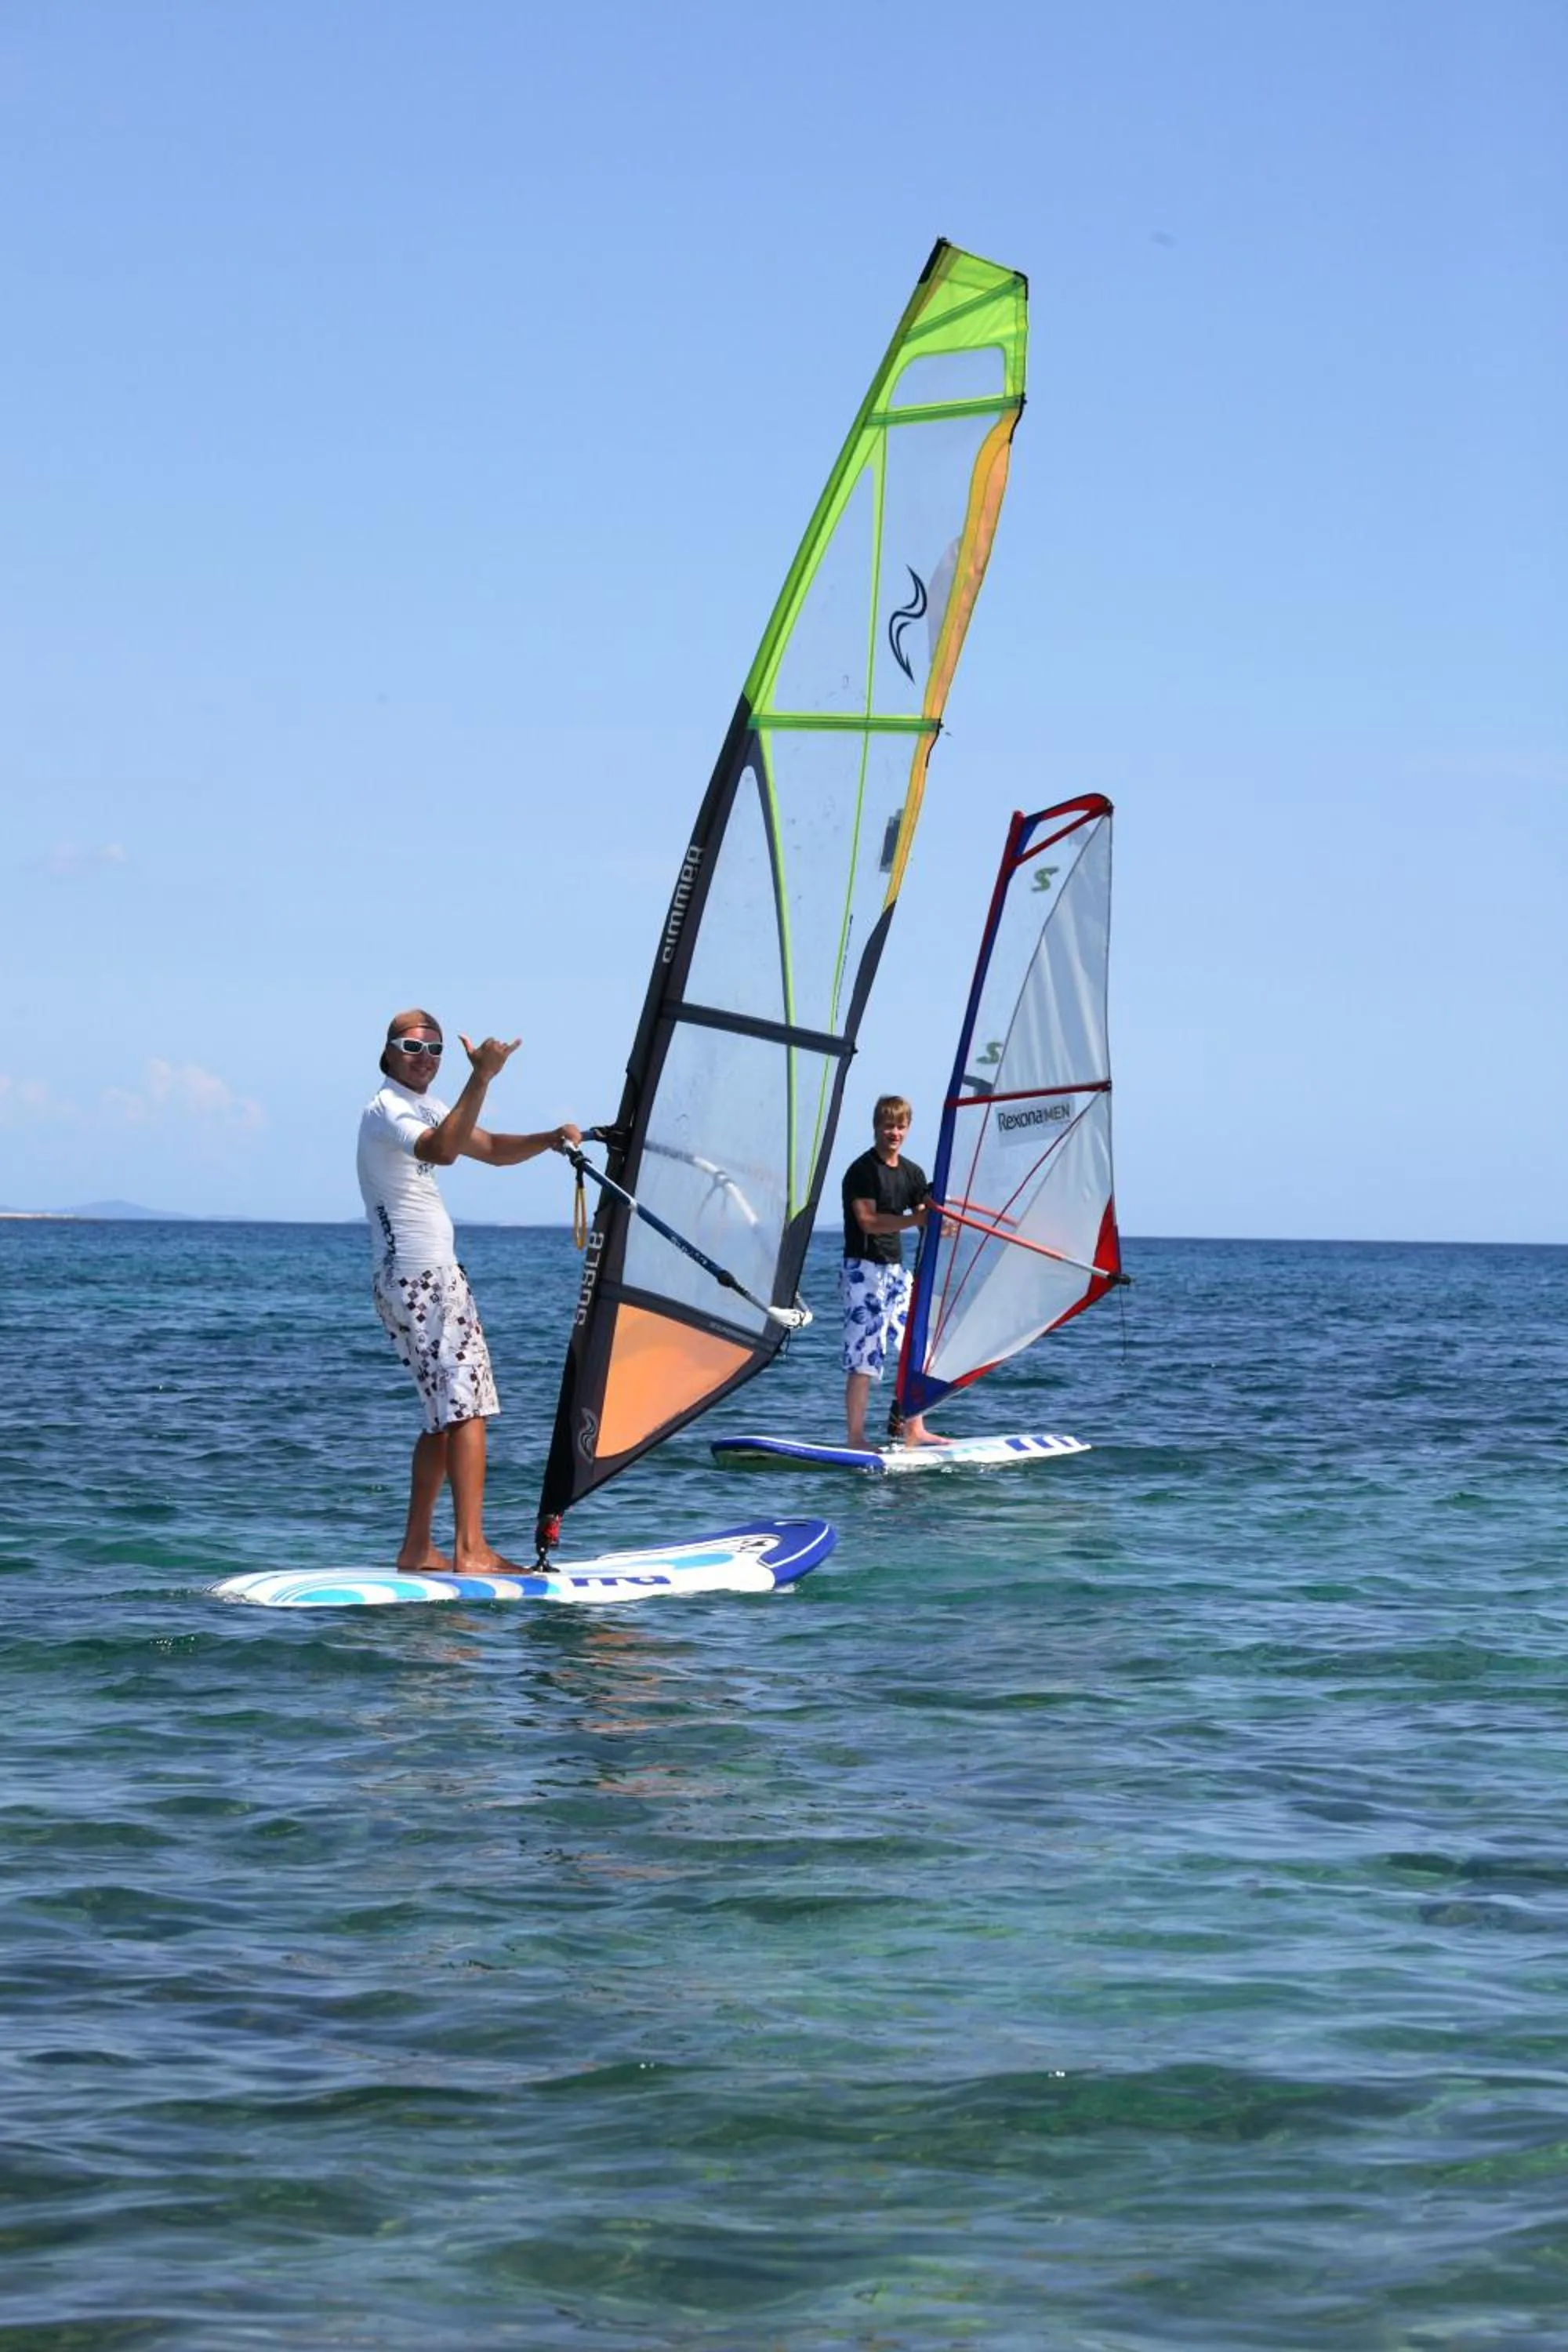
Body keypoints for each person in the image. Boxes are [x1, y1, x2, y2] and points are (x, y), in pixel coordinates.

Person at [357, 1008, 580, 1574]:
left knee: (442, 1415)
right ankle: (471, 1550)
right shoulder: (388, 1109)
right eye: (412, 1046)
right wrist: (480, 1077)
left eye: (434, 1049)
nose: (424, 1057)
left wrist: (550, 1140)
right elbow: (441, 1151)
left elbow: (491, 1147)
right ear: (386, 1054)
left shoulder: (426, 1107)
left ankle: (417, 1549)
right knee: (469, 1408)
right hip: (423, 1277)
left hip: (410, 1278)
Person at [840, 1094, 944, 1450]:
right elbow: (867, 1222)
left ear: (908, 1129)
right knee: (864, 1357)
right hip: (863, 1272)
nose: (894, 1132)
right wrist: (917, 1218)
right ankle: (856, 1438)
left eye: (900, 1126)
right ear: (876, 1127)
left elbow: (925, 1213)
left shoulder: (913, 1173)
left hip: (898, 1274)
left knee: (919, 1349)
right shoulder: (862, 1171)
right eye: (888, 1126)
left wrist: (939, 1220)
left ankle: (914, 1428)